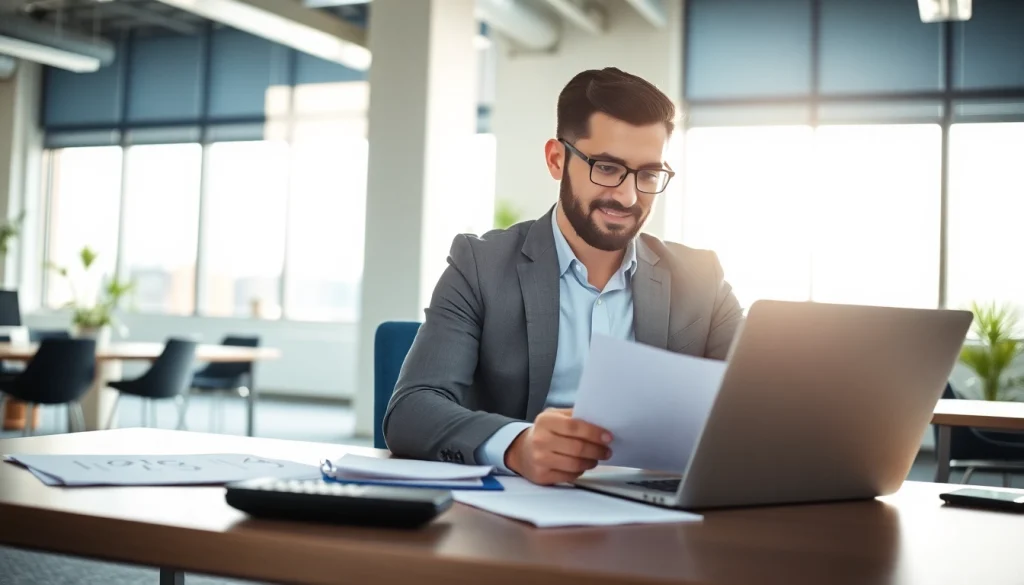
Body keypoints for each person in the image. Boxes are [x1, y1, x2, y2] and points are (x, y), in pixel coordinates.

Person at [384, 67, 743, 485]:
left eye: (647, 174)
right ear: (557, 159)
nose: (628, 197)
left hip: (658, 511)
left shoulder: (702, 279)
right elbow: (411, 409)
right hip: (519, 509)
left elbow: (755, 406)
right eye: (607, 168)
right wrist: (519, 446)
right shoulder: (480, 265)